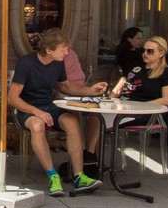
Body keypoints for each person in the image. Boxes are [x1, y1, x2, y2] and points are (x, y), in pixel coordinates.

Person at [8, 26, 107, 197]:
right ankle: (53, 176)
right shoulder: (26, 63)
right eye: (64, 49)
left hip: (48, 105)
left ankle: (79, 176)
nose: (67, 53)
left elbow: (66, 86)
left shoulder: (58, 63)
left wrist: (91, 90)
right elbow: (12, 98)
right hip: (26, 107)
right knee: (38, 125)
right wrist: (35, 111)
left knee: (72, 121)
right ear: (49, 50)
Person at [111, 34, 168, 108]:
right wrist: (107, 102)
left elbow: (166, 100)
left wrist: (142, 107)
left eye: (150, 51)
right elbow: (117, 91)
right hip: (123, 107)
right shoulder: (134, 67)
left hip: (146, 110)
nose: (145, 53)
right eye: (143, 50)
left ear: (161, 53)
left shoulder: (166, 72)